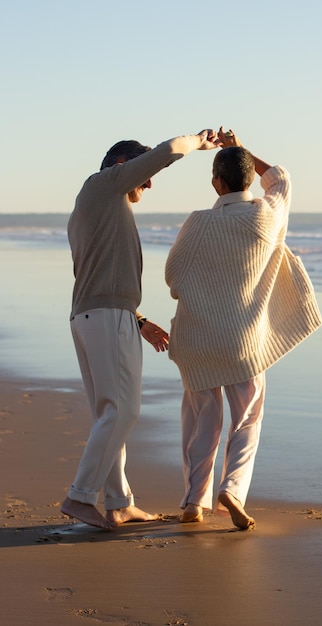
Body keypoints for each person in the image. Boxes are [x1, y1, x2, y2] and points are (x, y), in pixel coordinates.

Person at [165, 127, 322, 530]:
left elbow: (174, 278)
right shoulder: (267, 216)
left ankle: (192, 501)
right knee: (247, 419)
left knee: (202, 421)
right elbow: (282, 180)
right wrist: (240, 149)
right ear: (250, 177)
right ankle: (232, 490)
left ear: (216, 183)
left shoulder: (198, 223)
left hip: (198, 341)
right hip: (244, 342)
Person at [61, 129, 219, 530]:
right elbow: (165, 153)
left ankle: (118, 502)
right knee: (123, 410)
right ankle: (81, 496)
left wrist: (139, 321)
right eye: (142, 175)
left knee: (109, 414)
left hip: (98, 316)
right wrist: (197, 143)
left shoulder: (100, 204)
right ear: (121, 168)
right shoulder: (103, 186)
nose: (148, 183)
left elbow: (104, 277)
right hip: (104, 317)